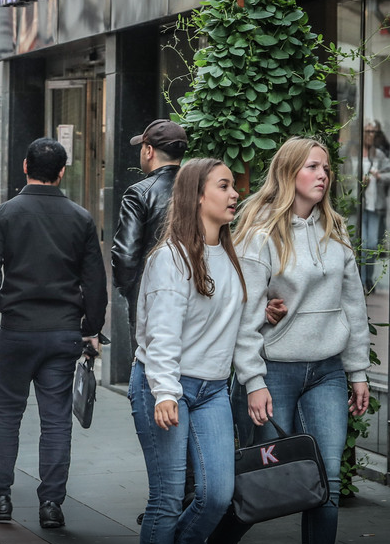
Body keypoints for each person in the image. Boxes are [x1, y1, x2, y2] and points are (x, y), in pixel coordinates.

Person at [212, 138, 372, 544]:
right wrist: (253, 380)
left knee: (327, 482)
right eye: (312, 167)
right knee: (261, 483)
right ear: (288, 172)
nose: (322, 175)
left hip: (327, 373)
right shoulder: (259, 231)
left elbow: (352, 305)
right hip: (274, 371)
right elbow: (245, 317)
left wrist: (358, 371)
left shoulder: (333, 228)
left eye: (325, 169)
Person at [0, 137, 105, 529]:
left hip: (18, 331)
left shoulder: (6, 213)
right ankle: (51, 505)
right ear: (62, 172)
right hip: (62, 334)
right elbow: (94, 281)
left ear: (25, 167)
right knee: (56, 419)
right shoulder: (80, 217)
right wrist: (92, 329)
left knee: (5, 415)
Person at [130, 158, 246, 543]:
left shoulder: (231, 256)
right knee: (167, 499)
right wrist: (164, 391)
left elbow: (225, 318)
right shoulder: (170, 258)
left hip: (212, 389)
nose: (235, 194)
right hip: (166, 386)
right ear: (197, 196)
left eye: (233, 187)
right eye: (224, 186)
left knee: (217, 497)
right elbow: (161, 333)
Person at [112, 119, 186, 336]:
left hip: (151, 295)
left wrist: (131, 291)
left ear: (149, 151)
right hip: (196, 291)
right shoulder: (201, 189)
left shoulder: (139, 193)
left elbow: (125, 255)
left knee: (149, 362)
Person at [359, 121, 390, 290]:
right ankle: (362, 281)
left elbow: (389, 174)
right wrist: (357, 181)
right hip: (358, 206)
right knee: (361, 244)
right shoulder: (353, 153)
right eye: (367, 131)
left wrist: (379, 177)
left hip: (374, 206)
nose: (370, 135)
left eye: (373, 132)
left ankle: (369, 278)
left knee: (371, 245)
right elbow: (344, 173)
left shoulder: (378, 154)